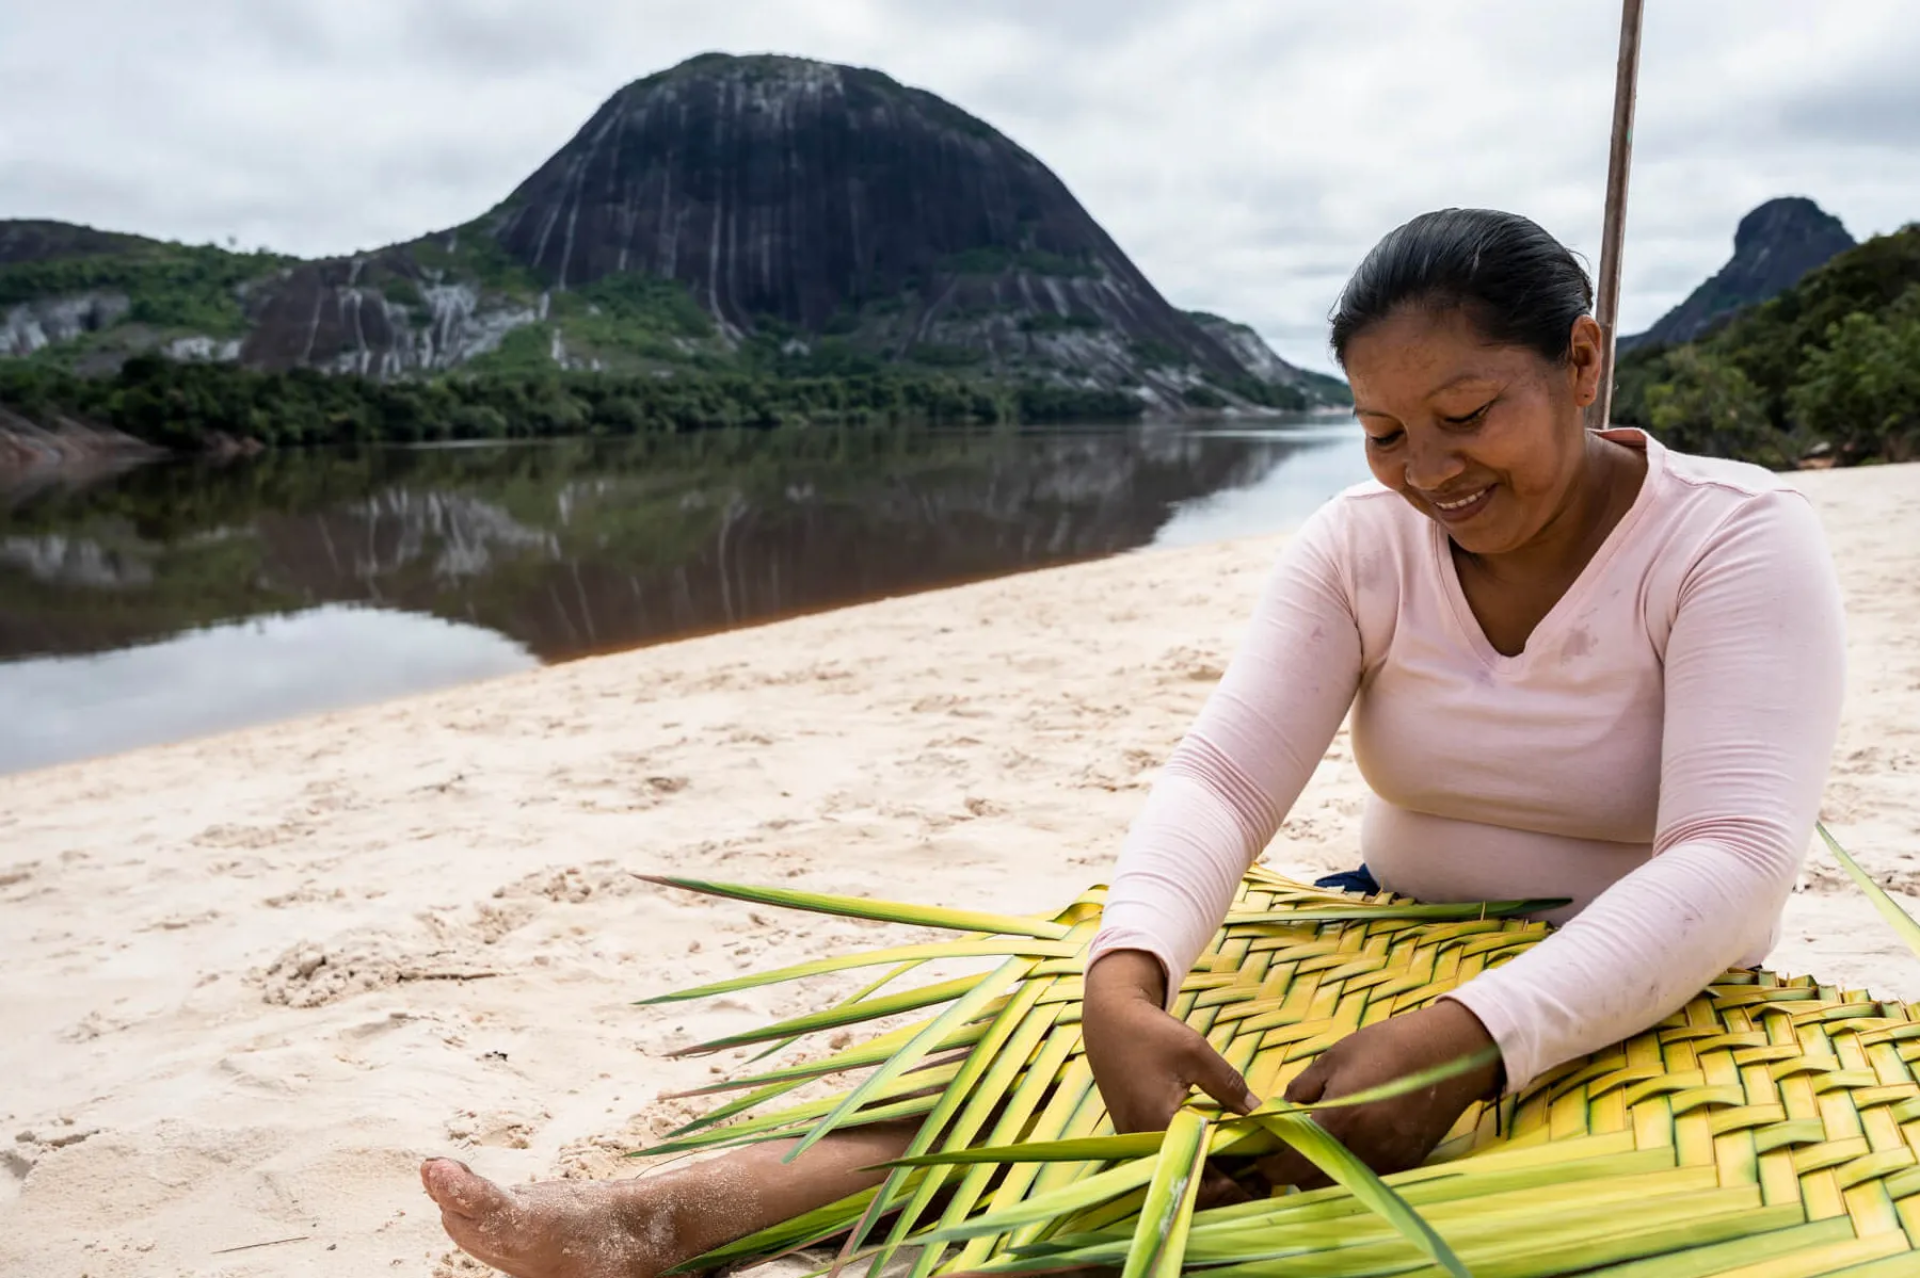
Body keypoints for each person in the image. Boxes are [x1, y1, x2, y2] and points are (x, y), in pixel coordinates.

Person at [418, 208, 1848, 1278]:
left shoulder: (1729, 541)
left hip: (1642, 976)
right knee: (1046, 1076)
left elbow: (1732, 857)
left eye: (1467, 415)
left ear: (1582, 358)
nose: (1428, 474)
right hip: (1373, 938)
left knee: (1493, 1208)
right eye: (1383, 431)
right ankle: (655, 1218)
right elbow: (1225, 780)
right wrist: (1126, 972)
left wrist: (1480, 1033)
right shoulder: (1363, 549)